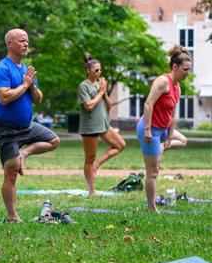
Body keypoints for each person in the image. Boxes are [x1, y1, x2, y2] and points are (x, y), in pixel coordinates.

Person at [0, 29, 60, 222]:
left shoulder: (27, 70)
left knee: (54, 140)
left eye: (27, 41)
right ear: (10, 44)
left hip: (27, 127)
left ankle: (24, 153)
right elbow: (4, 97)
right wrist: (24, 85)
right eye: (21, 41)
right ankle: (12, 215)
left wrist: (30, 85)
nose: (26, 44)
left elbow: (38, 99)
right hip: (7, 130)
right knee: (11, 172)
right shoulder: (2, 68)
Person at [137, 45, 191, 213]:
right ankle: (152, 207)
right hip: (150, 129)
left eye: (189, 70)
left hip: (163, 129)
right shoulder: (162, 81)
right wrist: (147, 129)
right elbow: (148, 104)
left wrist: (168, 138)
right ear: (174, 67)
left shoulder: (177, 88)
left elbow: (172, 115)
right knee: (153, 172)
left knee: (182, 140)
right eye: (185, 69)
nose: (187, 73)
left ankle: (159, 148)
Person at [77, 53, 126, 195]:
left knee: (120, 145)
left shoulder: (100, 85)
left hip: (103, 124)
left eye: (100, 70)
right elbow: (89, 106)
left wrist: (104, 93)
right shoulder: (83, 86)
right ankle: (92, 190)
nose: (99, 73)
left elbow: (109, 106)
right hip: (90, 127)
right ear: (88, 71)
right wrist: (100, 92)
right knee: (89, 158)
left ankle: (97, 164)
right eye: (96, 70)